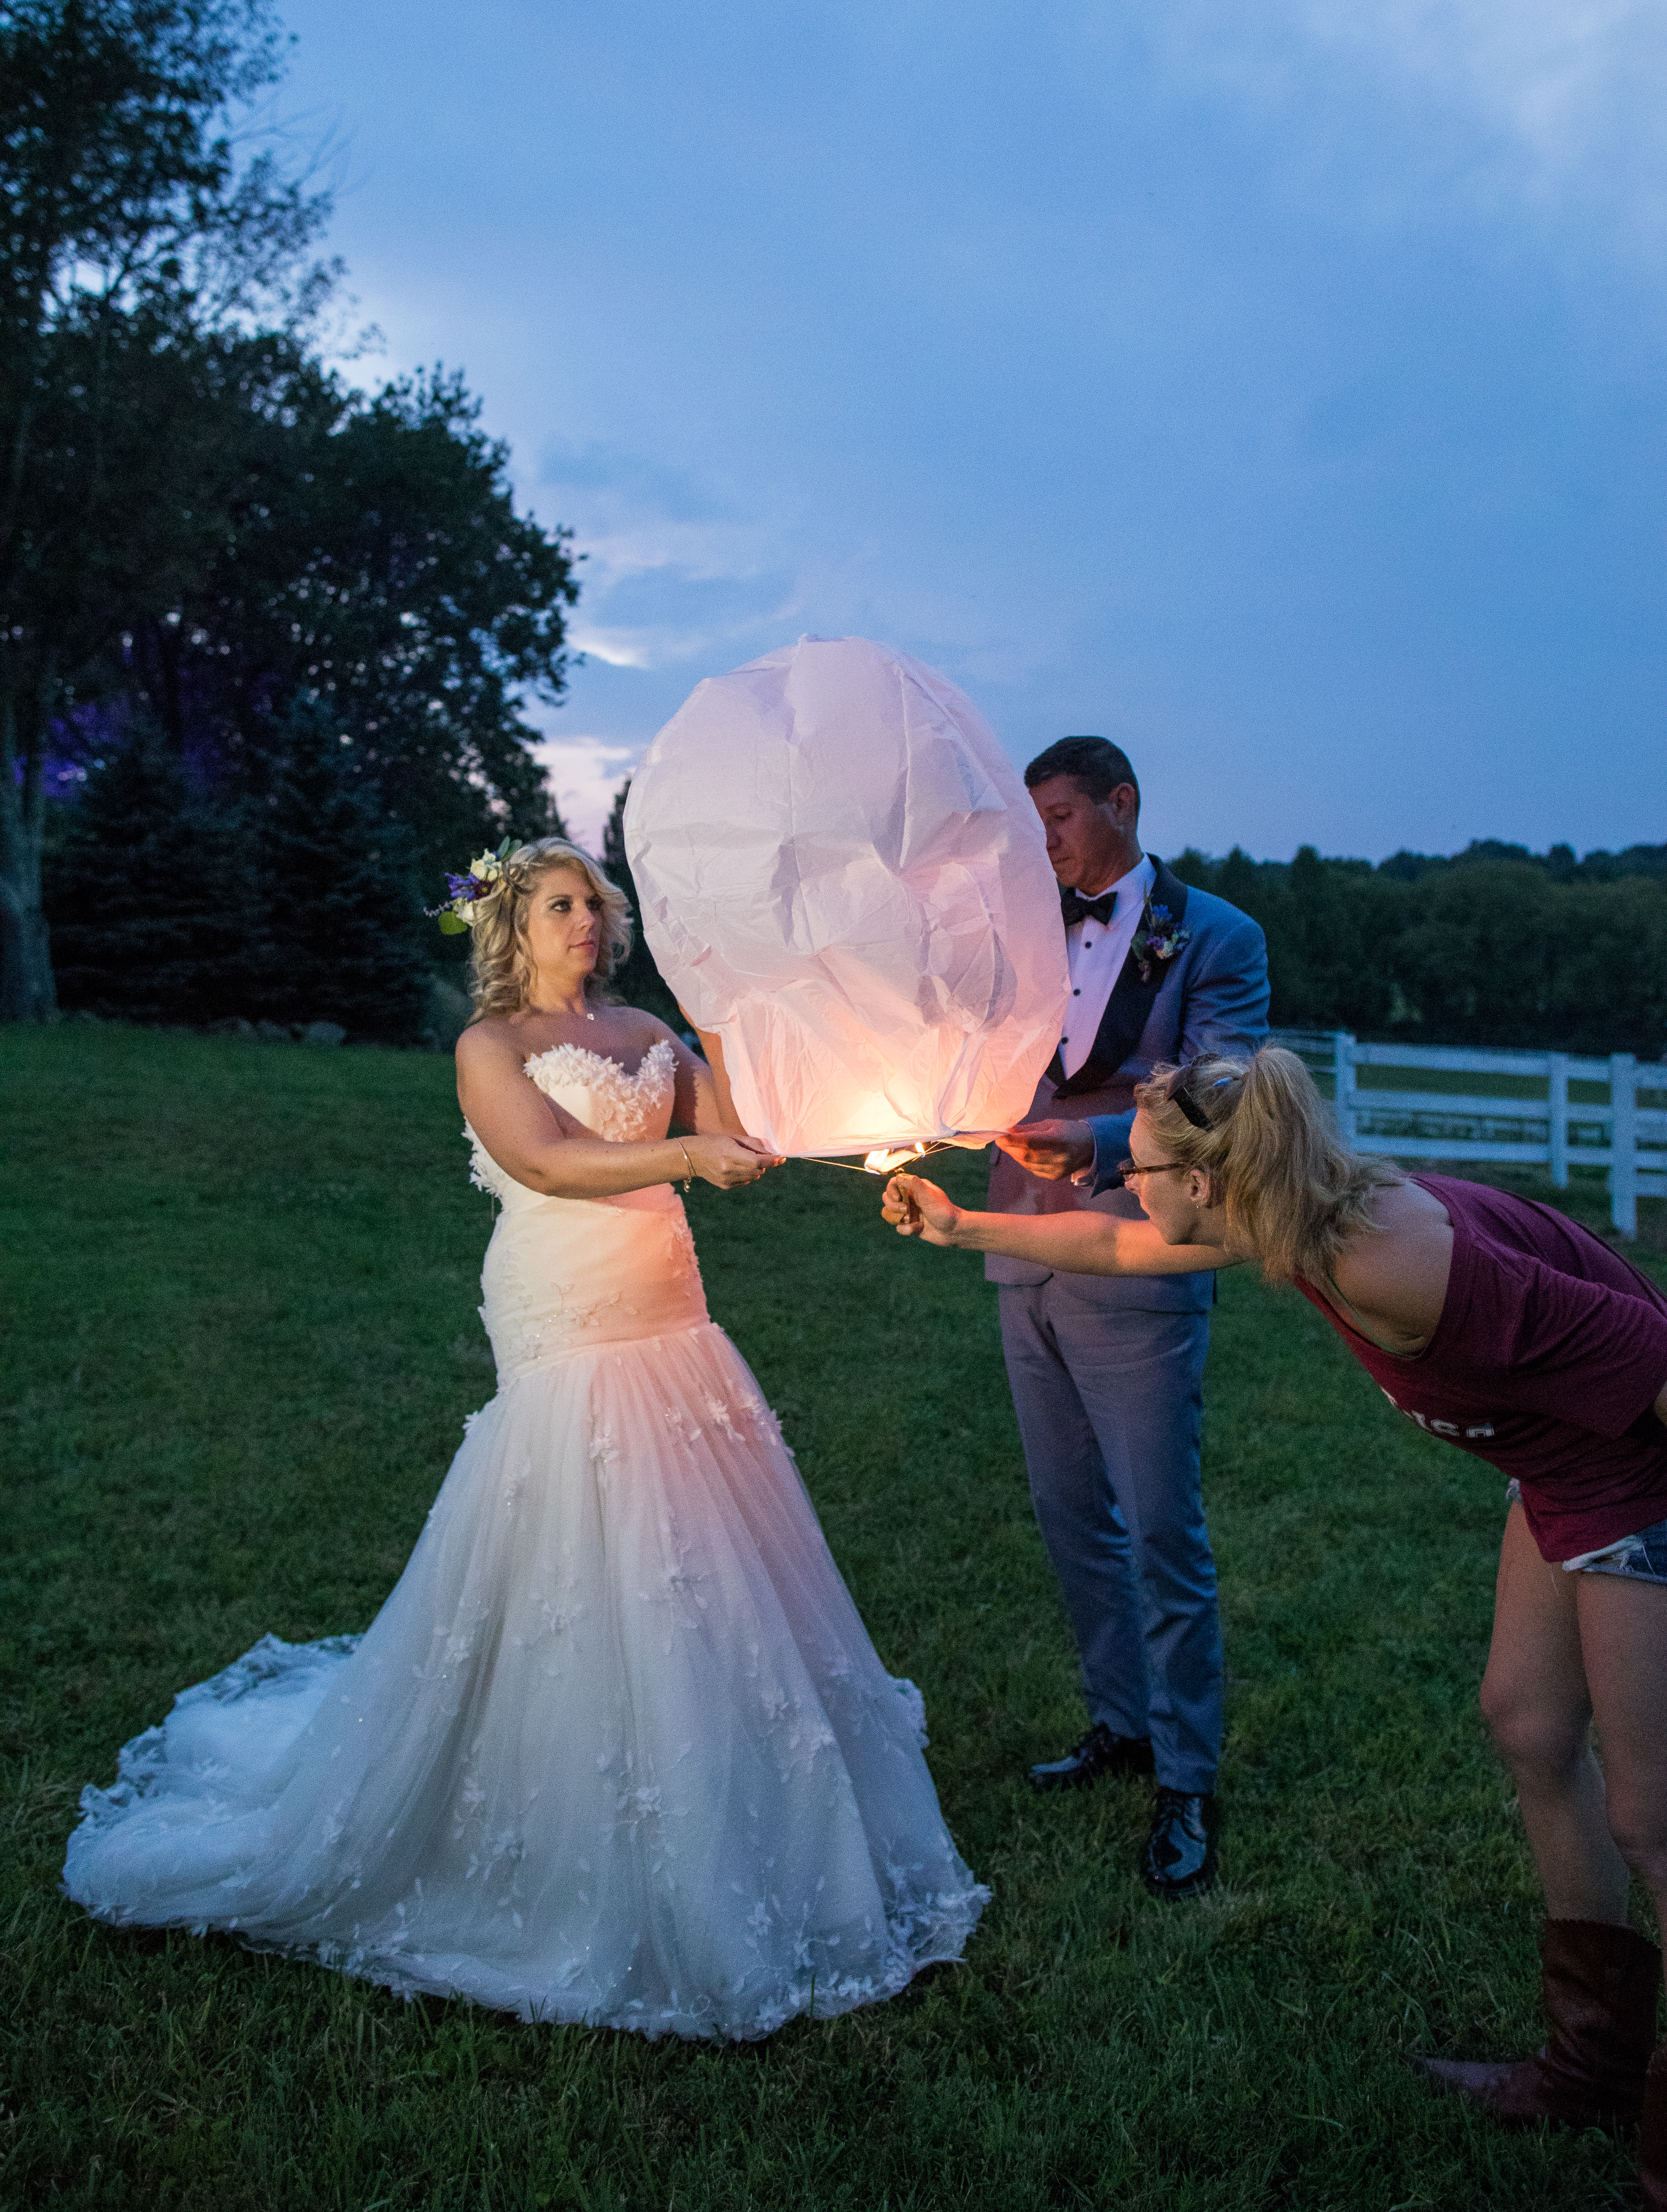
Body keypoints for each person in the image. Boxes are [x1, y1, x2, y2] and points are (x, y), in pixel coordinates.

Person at [64, 838, 987, 2038]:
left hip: (669, 1304)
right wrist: (685, 1157)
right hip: (563, 1296)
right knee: (585, 1516)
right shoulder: (488, 1047)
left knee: (699, 1535)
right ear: (513, 922)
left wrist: (807, 1090)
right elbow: (545, 1161)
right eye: (561, 906)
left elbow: (742, 1126)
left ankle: (722, 1762)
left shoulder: (650, 1029)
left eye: (594, 906)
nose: (586, 925)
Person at [886, 1045, 1667, 2202]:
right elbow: (1114, 1245)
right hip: (1561, 1466)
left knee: (1654, 1814)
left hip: (1636, 1474)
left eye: (1134, 1168)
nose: (1116, 1185)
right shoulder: (1288, 1213)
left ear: (1207, 1184)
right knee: (1529, 1726)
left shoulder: (1395, 1264)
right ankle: (1592, 2066)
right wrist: (966, 1232)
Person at [987, 736, 1267, 1898]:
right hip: (1016, 1250)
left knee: (1160, 1525)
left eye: (1057, 816)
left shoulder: (1218, 936)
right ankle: (1123, 1722)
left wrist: (1100, 1145)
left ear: (1123, 803)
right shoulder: (1013, 925)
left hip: (1142, 1253)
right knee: (1067, 1515)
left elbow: (1222, 1093)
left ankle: (1188, 1778)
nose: (1043, 841)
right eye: (1032, 821)